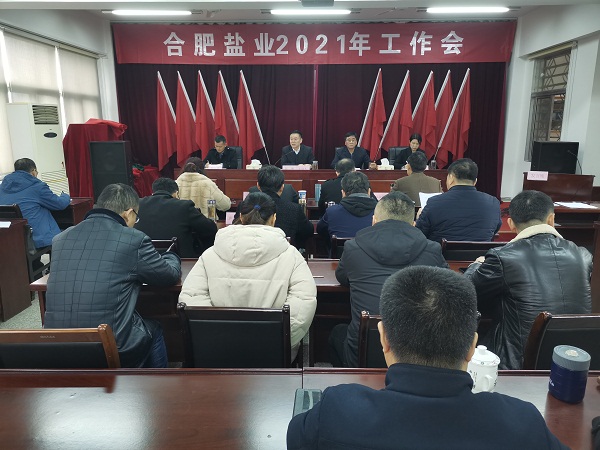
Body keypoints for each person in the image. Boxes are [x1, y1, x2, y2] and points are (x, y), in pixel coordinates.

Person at [287, 266, 569, 450]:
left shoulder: (337, 410)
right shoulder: (523, 423)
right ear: (472, 347)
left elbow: (294, 437)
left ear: (383, 339)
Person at [44, 183, 181, 368]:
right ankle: (156, 383)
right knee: (154, 329)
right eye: (136, 218)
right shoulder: (134, 239)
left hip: (56, 344)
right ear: (128, 213)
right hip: (109, 346)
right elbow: (168, 275)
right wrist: (172, 256)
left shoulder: (61, 238)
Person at [464, 190, 592, 370]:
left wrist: (477, 264)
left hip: (517, 365)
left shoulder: (503, 257)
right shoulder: (583, 256)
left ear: (511, 224)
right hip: (575, 362)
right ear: (551, 219)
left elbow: (466, 290)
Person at [179, 192, 317, 358]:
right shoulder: (292, 256)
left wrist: (213, 336)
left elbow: (191, 298)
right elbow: (303, 302)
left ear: (241, 218)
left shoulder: (210, 254)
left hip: (217, 350)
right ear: (273, 219)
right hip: (273, 352)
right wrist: (279, 339)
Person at [329, 191, 448, 367]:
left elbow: (342, 277)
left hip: (363, 354)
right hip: (418, 354)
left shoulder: (354, 248)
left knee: (337, 332)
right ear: (413, 225)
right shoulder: (432, 250)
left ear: (374, 220)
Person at [416, 158, 502, 242]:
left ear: (451, 178)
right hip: (480, 252)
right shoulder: (493, 203)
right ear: (475, 181)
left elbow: (420, 234)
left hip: (442, 251)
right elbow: (494, 231)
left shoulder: (434, 202)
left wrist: (419, 218)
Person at [135, 177, 217, 258]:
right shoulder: (184, 206)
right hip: (180, 260)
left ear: (153, 192)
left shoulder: (138, 204)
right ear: (176, 193)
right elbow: (210, 228)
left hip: (143, 259)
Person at [0, 158, 70, 248]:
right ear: (33, 172)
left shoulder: (2, 187)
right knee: (67, 233)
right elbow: (60, 204)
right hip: (36, 238)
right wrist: (65, 196)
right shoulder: (37, 187)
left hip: (12, 239)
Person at [250, 165, 313, 247]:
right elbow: (308, 231)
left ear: (258, 186)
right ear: (282, 187)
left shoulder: (246, 207)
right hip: (285, 251)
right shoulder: (294, 209)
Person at [317, 171, 377, 239]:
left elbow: (320, 230)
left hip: (342, 246)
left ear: (343, 193)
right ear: (369, 192)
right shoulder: (380, 213)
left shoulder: (331, 212)